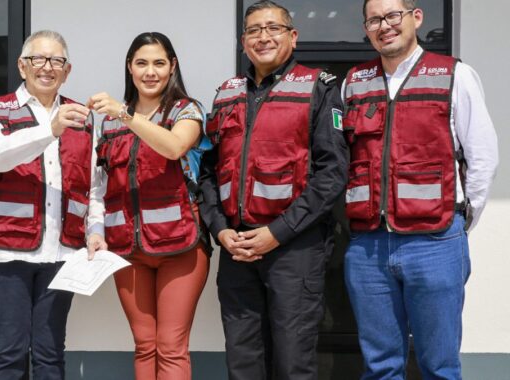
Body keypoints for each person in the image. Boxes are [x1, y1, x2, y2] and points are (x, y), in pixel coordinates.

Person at [342, 0, 498, 378]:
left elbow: (483, 157)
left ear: (416, 17)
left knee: (440, 365)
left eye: (393, 15)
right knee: (380, 366)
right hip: (368, 246)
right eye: (374, 19)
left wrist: (459, 220)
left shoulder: (454, 75)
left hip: (435, 241)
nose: (385, 26)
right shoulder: (354, 81)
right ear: (366, 28)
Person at [198, 1, 348, 379]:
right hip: (237, 248)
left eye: (273, 28)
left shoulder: (319, 88)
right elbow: (207, 172)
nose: (263, 37)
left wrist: (276, 233)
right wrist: (220, 229)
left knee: (292, 362)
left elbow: (331, 174)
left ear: (292, 36)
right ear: (243, 41)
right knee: (243, 361)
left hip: (293, 248)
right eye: (253, 30)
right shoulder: (226, 94)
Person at [86, 32, 211, 380]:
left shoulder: (187, 109)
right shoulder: (109, 122)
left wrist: (126, 114)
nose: (150, 71)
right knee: (144, 345)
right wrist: (95, 232)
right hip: (128, 249)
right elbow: (99, 186)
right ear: (130, 67)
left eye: (159, 63)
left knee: (170, 347)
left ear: (172, 67)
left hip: (180, 246)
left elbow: (173, 147)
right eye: (141, 63)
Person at [0, 30, 93, 380]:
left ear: (67, 70)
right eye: (38, 59)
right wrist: (50, 130)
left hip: (62, 253)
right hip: (9, 252)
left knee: (50, 352)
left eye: (56, 60)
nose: (47, 67)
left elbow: (92, 185)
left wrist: (96, 230)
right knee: (9, 351)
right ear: (21, 66)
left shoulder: (81, 117)